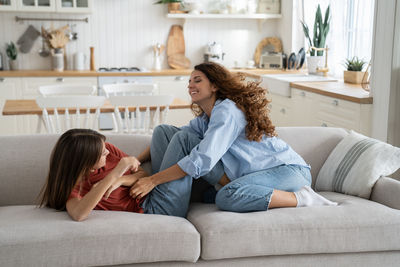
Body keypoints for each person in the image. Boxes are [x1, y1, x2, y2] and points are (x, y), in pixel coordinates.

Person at [130, 62, 337, 217]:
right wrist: (137, 161)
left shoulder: (227, 110)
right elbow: (178, 136)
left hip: (288, 171)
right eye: (189, 81)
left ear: (214, 86)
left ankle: (303, 198)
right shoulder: (206, 118)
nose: (190, 85)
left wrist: (151, 180)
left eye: (197, 80)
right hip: (252, 174)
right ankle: (163, 198)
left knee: (226, 196)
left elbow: (203, 160)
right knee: (164, 131)